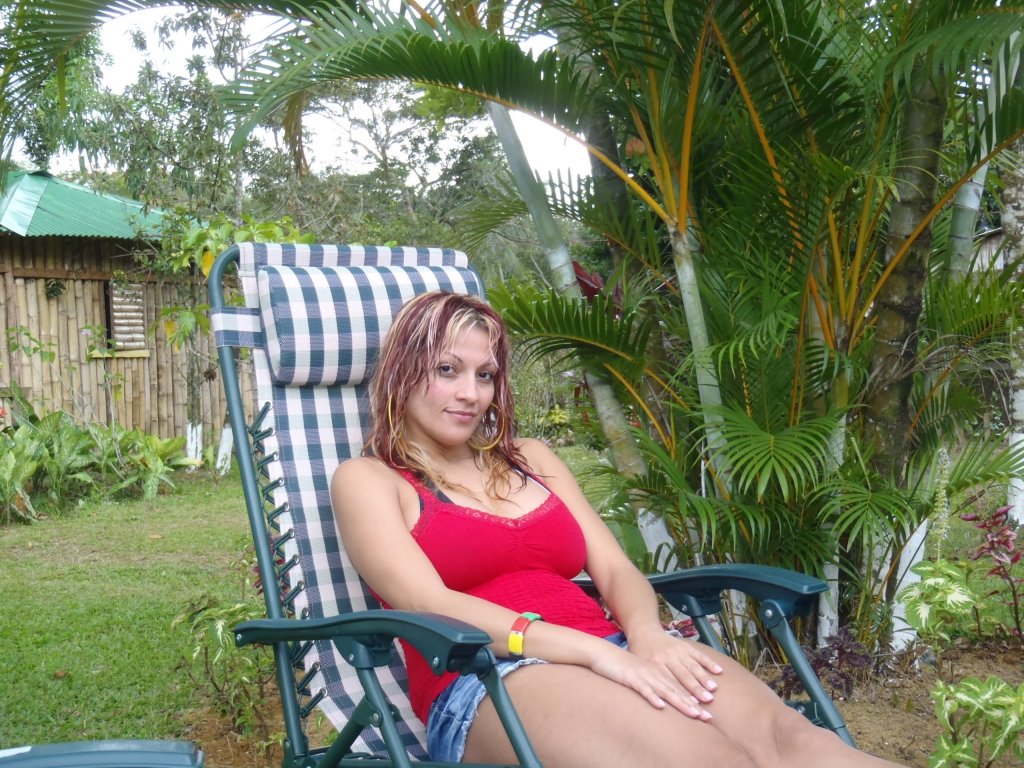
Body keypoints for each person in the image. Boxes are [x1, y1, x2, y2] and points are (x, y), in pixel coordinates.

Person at [332, 291, 906, 768]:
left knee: (794, 742)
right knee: (708, 758)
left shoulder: (530, 458)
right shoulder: (370, 480)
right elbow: (431, 604)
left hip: (618, 646)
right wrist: (590, 653)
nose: (470, 393)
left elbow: (612, 567)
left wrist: (648, 635)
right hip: (489, 673)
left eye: (485, 375)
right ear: (403, 371)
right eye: (447, 370)